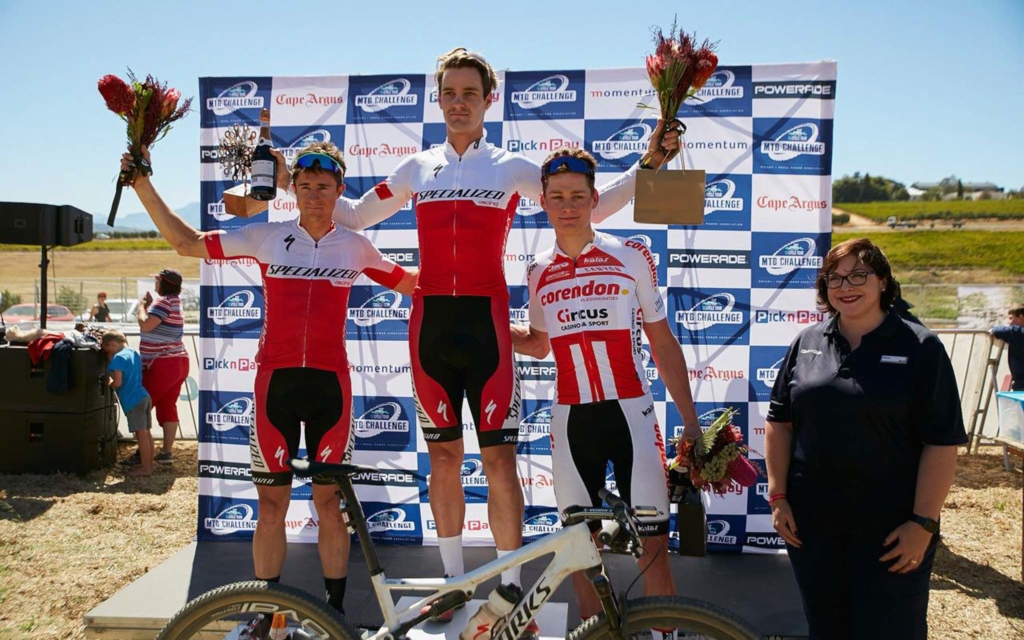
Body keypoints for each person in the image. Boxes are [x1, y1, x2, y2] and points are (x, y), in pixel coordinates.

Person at [266, 48, 680, 624]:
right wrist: (292, 182)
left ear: (489, 100)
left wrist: (648, 165)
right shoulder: (417, 167)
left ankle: (511, 592)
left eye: (470, 94)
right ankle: (455, 583)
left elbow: (585, 204)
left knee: (500, 461)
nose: (459, 104)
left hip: (487, 326)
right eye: (449, 94)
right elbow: (352, 217)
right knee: (443, 457)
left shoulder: (511, 167)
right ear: (437, 101)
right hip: (430, 327)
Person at [120, 141, 417, 616]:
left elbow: (413, 284)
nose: (315, 196)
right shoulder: (267, 237)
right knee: (271, 508)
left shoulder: (356, 245)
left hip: (330, 390)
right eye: (305, 187)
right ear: (292, 191)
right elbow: (187, 244)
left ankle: (334, 615)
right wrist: (142, 185)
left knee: (328, 509)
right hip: (273, 388)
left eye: (324, 187)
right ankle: (265, 617)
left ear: (340, 191)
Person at [511, 149, 700, 638]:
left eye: (577, 196)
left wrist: (691, 421)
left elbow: (662, 340)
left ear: (595, 199)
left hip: (631, 416)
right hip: (571, 421)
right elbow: (538, 344)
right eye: (557, 198)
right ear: (544, 204)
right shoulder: (538, 271)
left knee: (654, 547)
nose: (567, 206)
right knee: (581, 552)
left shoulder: (630, 255)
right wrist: (488, 325)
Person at [764, 238, 967, 640]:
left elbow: (941, 444)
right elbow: (780, 423)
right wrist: (778, 496)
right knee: (827, 628)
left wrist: (922, 523)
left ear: (884, 282)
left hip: (891, 531)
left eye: (859, 275)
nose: (845, 286)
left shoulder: (922, 347)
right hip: (813, 528)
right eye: (834, 278)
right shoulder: (806, 342)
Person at [131, 269, 189, 466]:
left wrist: (141, 307)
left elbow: (146, 325)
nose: (154, 283)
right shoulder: (175, 302)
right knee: (167, 405)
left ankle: (143, 455)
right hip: (177, 361)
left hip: (162, 362)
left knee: (142, 406)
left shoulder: (163, 302)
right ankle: (165, 452)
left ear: (163, 282)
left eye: (156, 279)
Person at [102, 329, 153, 478]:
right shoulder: (133, 353)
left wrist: (108, 383)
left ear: (112, 344)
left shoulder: (118, 359)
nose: (108, 353)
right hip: (143, 396)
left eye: (107, 350)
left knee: (141, 434)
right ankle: (149, 464)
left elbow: (117, 382)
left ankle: (145, 469)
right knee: (147, 432)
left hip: (132, 400)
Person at [991, 304, 1024, 391]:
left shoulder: (1018, 333)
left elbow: (997, 330)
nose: (1009, 322)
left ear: (1021, 318)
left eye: (1011, 318)